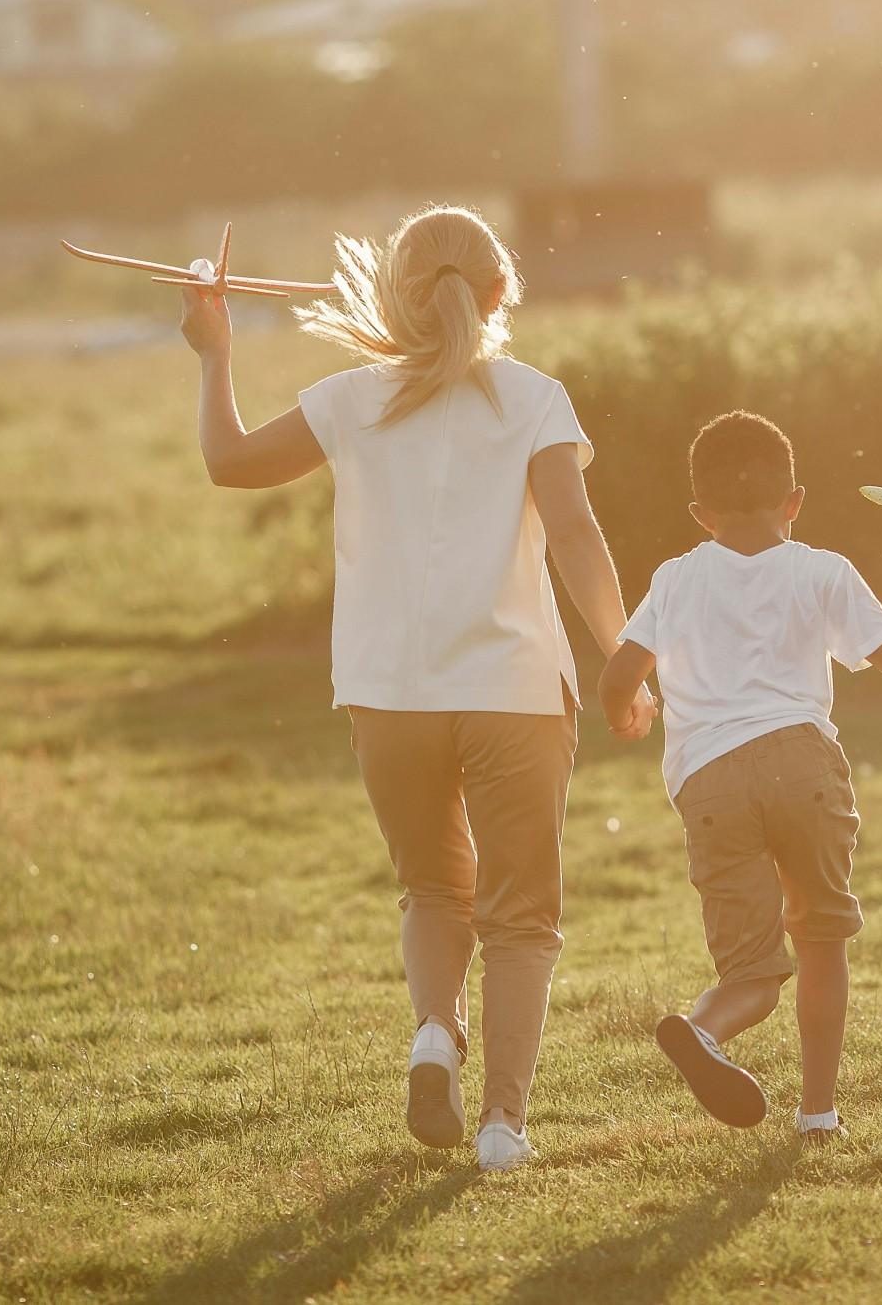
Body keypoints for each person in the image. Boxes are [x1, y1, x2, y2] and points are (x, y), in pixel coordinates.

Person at [174, 204, 647, 1173]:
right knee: (521, 919)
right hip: (513, 688)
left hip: (389, 693)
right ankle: (503, 1129)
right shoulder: (533, 399)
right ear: (500, 294)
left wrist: (213, 352)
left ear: (394, 295)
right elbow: (574, 535)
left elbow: (226, 464)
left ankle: (436, 1034)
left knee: (434, 888)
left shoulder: (349, 400)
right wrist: (623, 653)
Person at [596, 410, 882, 1141]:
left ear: (700, 514)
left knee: (754, 975)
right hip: (802, 765)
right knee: (821, 939)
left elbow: (619, 673)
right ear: (795, 499)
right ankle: (819, 1113)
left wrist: (629, 710)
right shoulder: (823, 569)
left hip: (710, 782)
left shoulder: (675, 577)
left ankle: (703, 1028)